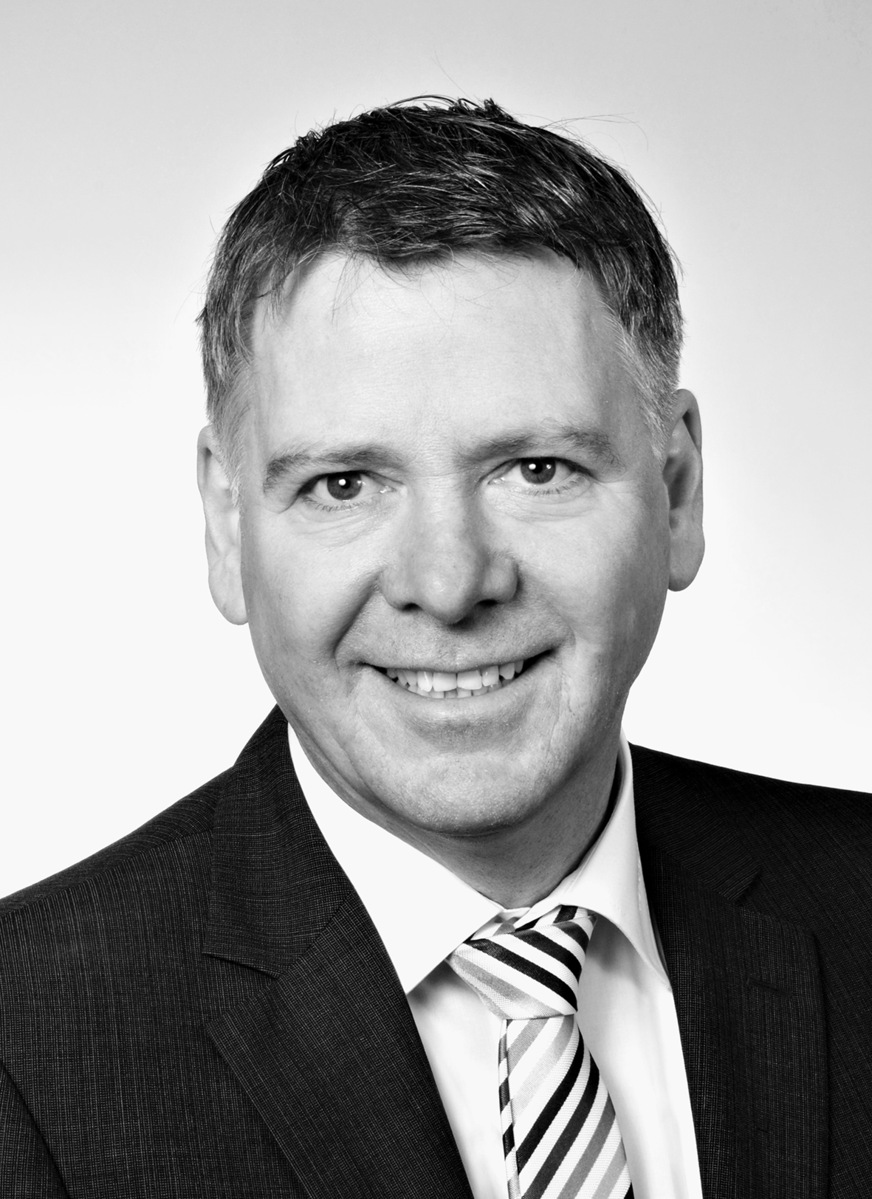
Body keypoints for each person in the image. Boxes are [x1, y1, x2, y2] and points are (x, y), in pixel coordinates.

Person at [1, 98, 869, 1199]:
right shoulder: (26, 1047)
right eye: (344, 484)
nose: (449, 583)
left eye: (536, 469)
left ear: (679, 492)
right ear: (227, 523)